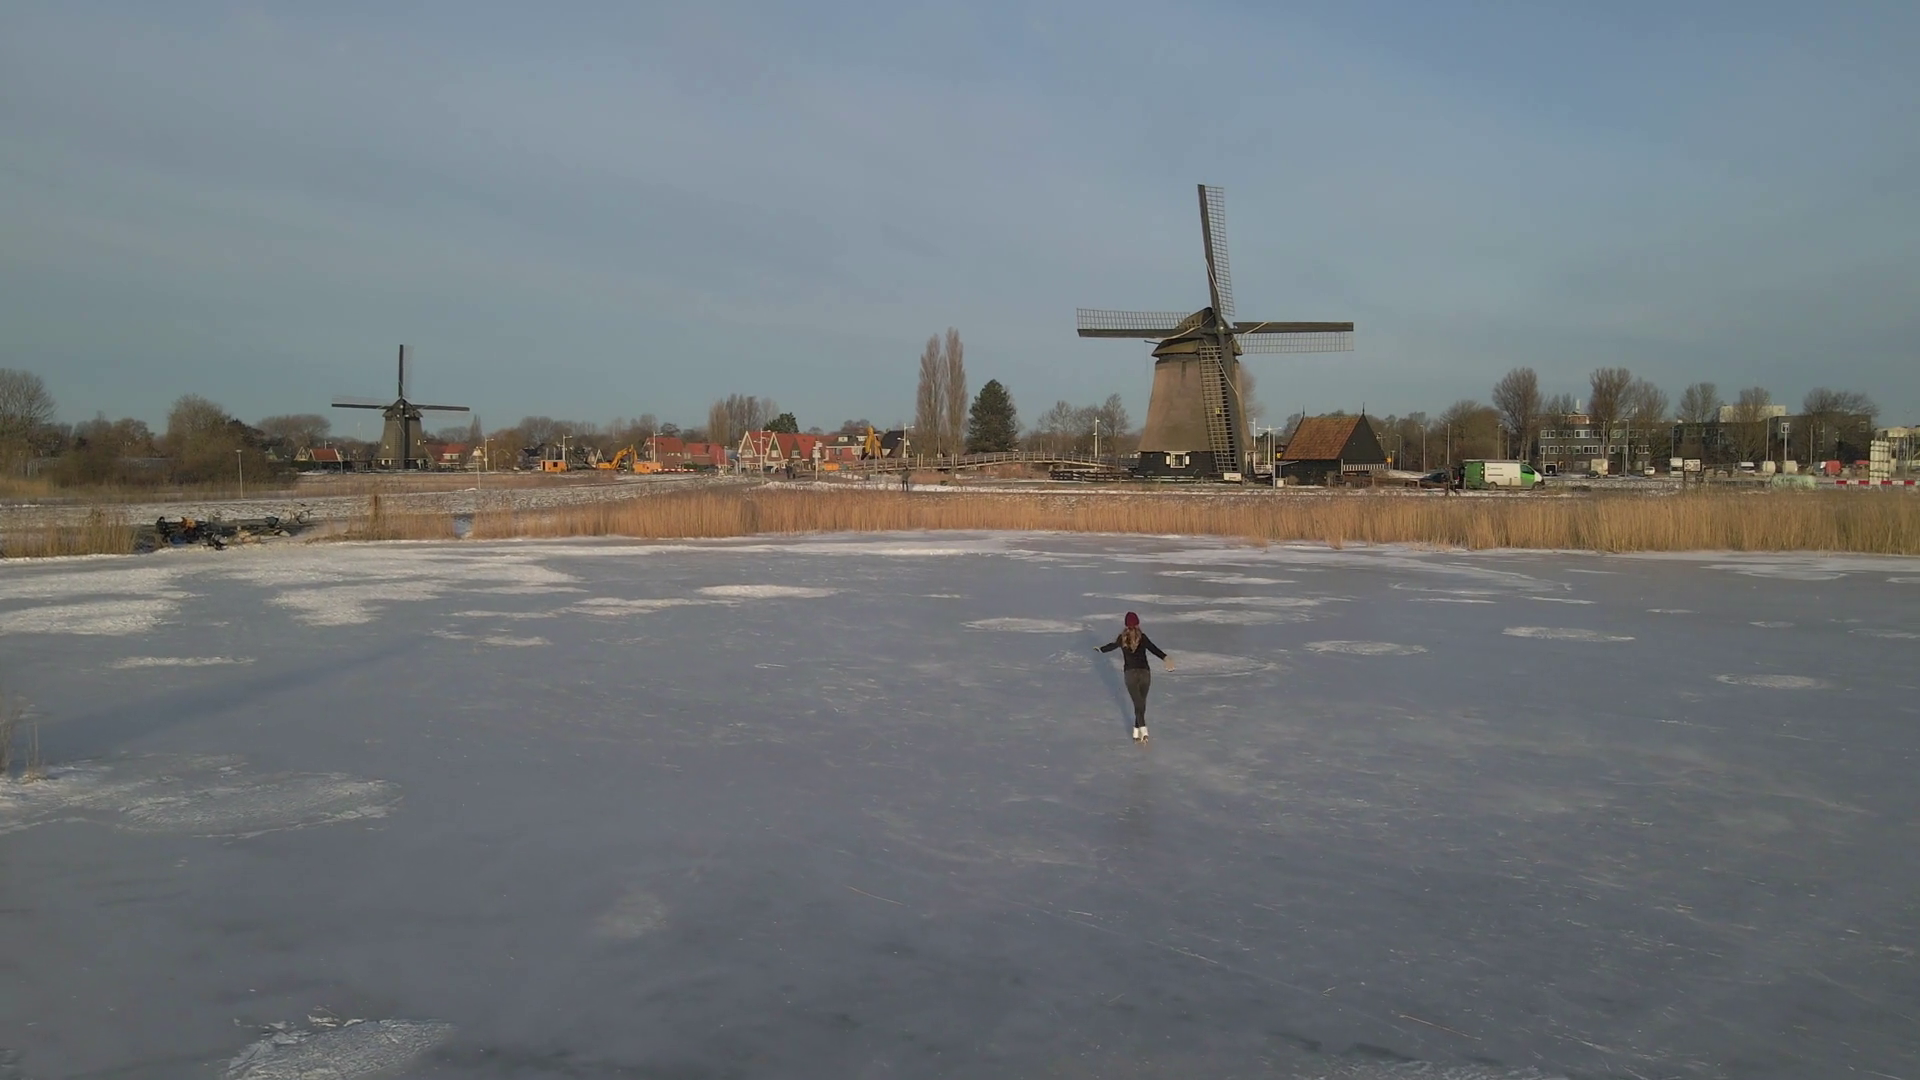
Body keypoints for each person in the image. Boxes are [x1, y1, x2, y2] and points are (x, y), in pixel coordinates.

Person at [1097, 612, 1171, 742]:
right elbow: (1154, 649)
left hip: (1130, 674)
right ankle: (1138, 732)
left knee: (1138, 703)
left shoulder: (1122, 638)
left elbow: (1111, 646)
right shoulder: (1143, 637)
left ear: (1126, 624)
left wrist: (1100, 649)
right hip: (1144, 673)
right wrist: (1165, 658)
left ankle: (1142, 731)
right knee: (1141, 703)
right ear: (1138, 623)